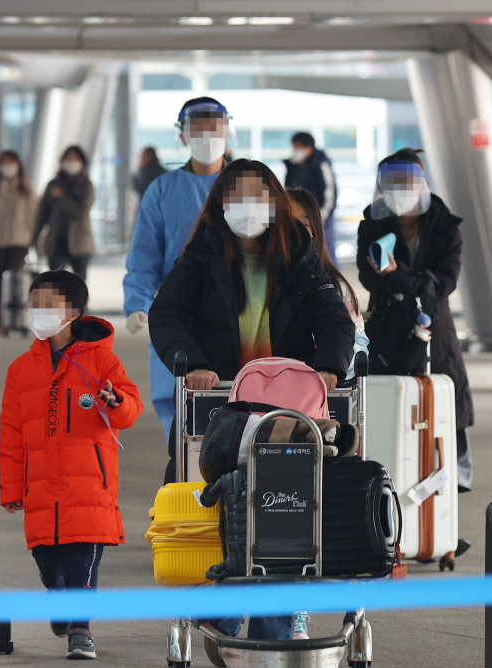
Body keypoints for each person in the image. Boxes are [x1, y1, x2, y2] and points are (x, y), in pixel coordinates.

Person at [148, 160, 353, 663]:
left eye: (257, 195)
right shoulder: (201, 255)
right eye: (235, 196)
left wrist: (329, 368)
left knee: (282, 511)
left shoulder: (298, 253)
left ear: (275, 202)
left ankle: (270, 636)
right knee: (226, 514)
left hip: (286, 413)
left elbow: (333, 318)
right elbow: (166, 313)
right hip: (220, 407)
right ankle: (225, 621)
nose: (246, 207)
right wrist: (193, 363)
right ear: (219, 202)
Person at [0, 270, 143, 660]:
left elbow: (131, 407)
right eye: (35, 304)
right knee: (48, 563)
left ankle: (81, 629)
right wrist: (11, 486)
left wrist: (116, 402)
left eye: (49, 304)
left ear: (74, 312)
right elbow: (10, 434)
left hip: (88, 486)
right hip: (41, 488)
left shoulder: (102, 359)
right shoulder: (21, 370)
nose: (39, 311)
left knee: (82, 563)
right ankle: (58, 599)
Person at [356, 148, 475, 496]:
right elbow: (368, 276)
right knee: (387, 392)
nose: (399, 190)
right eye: (391, 182)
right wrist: (397, 278)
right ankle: (387, 471)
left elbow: (444, 282)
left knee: (444, 390)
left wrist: (399, 274)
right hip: (386, 321)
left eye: (406, 181)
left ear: (422, 183)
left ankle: (451, 476)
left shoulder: (446, 226)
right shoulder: (372, 224)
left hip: (434, 324)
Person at [123, 97, 233, 444]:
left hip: (241, 308)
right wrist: (138, 302)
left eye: (215, 128)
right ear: (182, 135)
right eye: (198, 129)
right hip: (180, 309)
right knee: (181, 412)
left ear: (227, 131)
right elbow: (145, 254)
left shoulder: (247, 185)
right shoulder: (162, 190)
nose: (207, 136)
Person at [288, 187, 368, 380]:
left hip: (322, 390)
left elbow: (359, 345)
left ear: (315, 232)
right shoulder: (261, 280)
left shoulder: (336, 286)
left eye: (303, 225)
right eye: (286, 223)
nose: (294, 231)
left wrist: (330, 362)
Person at [33, 146, 95, 278]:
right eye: (68, 158)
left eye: (75, 159)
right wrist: (35, 237)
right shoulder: (53, 185)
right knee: (56, 280)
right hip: (56, 240)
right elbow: (42, 213)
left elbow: (81, 212)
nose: (71, 162)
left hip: (80, 241)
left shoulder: (86, 185)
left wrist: (62, 197)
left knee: (79, 282)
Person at [0, 150, 38, 334]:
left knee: (17, 281)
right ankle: (1, 321)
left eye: (12, 162)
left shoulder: (27, 190)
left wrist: (34, 238)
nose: (8, 167)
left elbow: (34, 216)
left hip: (20, 241)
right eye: (5, 163)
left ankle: (19, 319)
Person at [283, 132, 338, 264]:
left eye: (298, 147)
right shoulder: (293, 166)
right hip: (296, 217)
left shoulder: (321, 165)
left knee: (324, 252)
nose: (295, 150)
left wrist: (320, 217)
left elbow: (329, 193)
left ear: (309, 148)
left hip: (321, 217)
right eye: (294, 147)